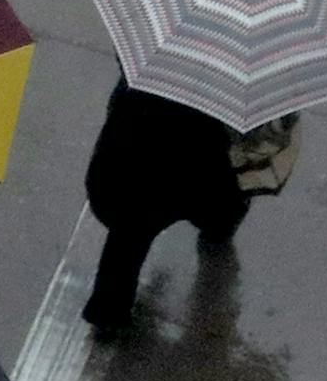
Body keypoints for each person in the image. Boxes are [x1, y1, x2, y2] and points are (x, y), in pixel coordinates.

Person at [80, 70, 295, 337]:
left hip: (134, 170)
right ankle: (219, 230)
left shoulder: (149, 64)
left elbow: (118, 106)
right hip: (198, 175)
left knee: (129, 234)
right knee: (220, 207)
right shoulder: (244, 80)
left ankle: (108, 312)